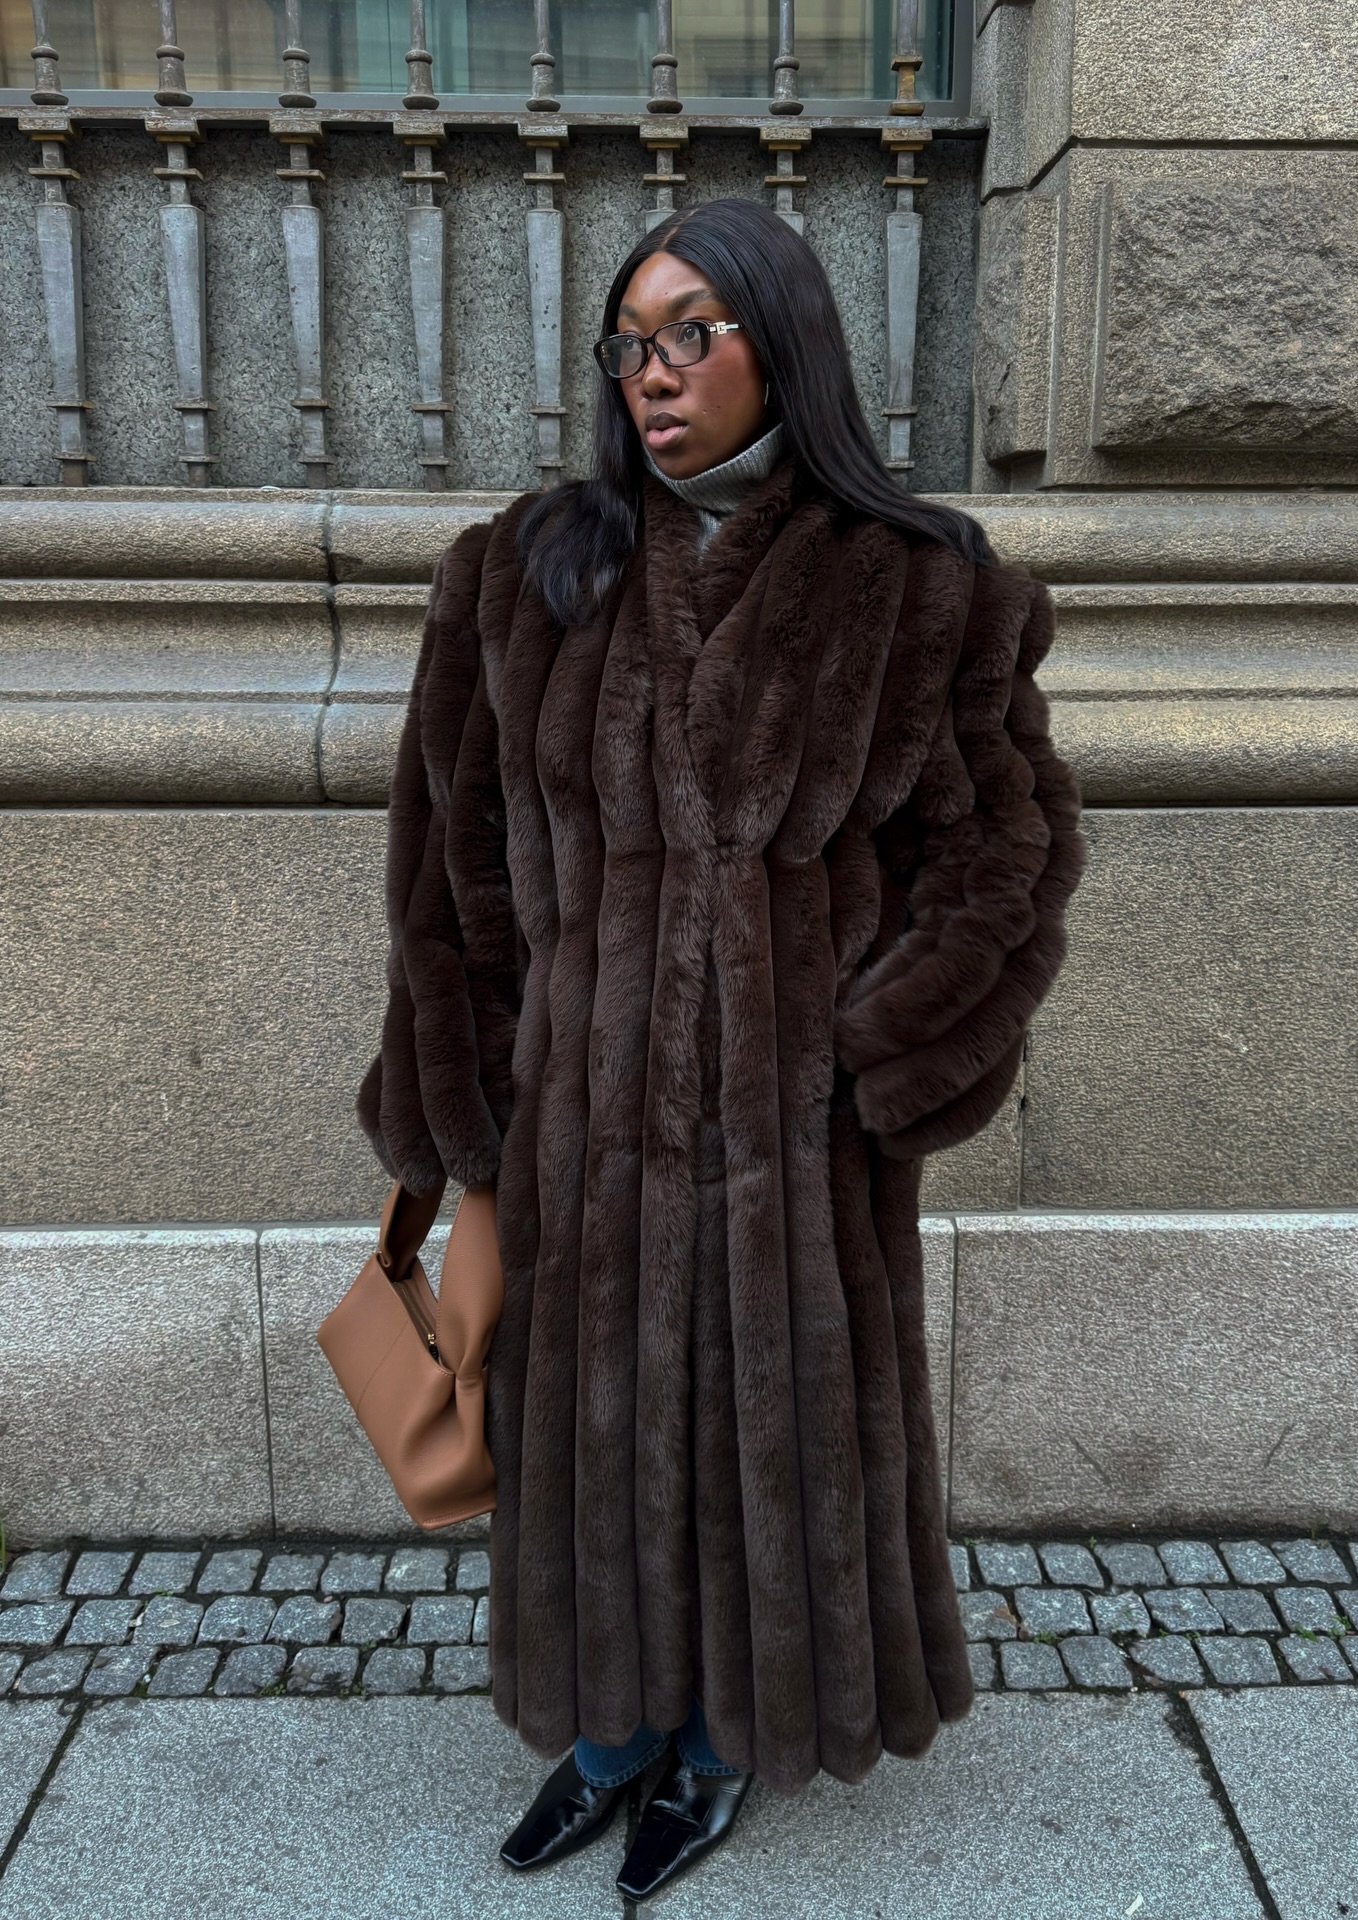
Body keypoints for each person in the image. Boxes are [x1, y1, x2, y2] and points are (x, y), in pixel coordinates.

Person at [357, 195, 1084, 1902]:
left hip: (798, 1138)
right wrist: (465, 1116)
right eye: (631, 342)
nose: (654, 373)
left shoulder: (925, 587)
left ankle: (729, 1745)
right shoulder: (519, 572)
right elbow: (447, 865)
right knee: (586, 1430)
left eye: (695, 330)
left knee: (777, 1434)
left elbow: (1008, 848)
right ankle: (608, 1738)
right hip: (574, 1125)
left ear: (784, 342)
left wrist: (869, 1063)